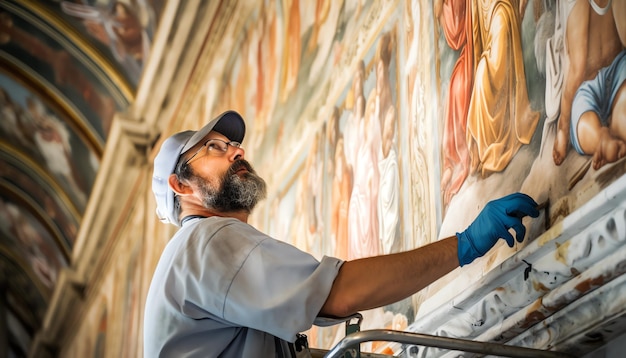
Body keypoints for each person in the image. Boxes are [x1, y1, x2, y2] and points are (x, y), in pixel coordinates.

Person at [144, 110, 540, 357]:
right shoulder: (208, 242)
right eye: (215, 147)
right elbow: (337, 294)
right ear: (182, 186)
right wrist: (464, 244)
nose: (237, 151)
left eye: (234, 143)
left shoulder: (188, 256)